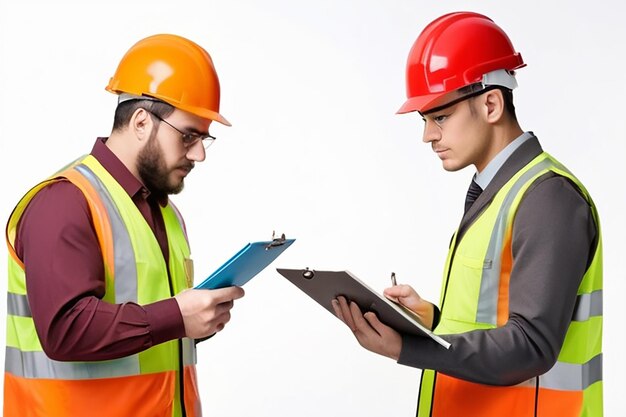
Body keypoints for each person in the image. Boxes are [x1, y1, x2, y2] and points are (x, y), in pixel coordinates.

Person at [332, 12, 602, 417]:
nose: (427, 135)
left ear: (491, 103)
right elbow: (495, 319)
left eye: (440, 116)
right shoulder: (500, 193)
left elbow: (532, 345)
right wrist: (431, 320)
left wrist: (410, 346)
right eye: (425, 120)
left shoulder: (548, 198)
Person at [3, 34, 245, 417]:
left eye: (204, 139)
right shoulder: (64, 202)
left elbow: (148, 331)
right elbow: (65, 330)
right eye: (189, 135)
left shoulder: (165, 212)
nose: (199, 154)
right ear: (140, 121)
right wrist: (177, 316)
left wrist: (198, 319)